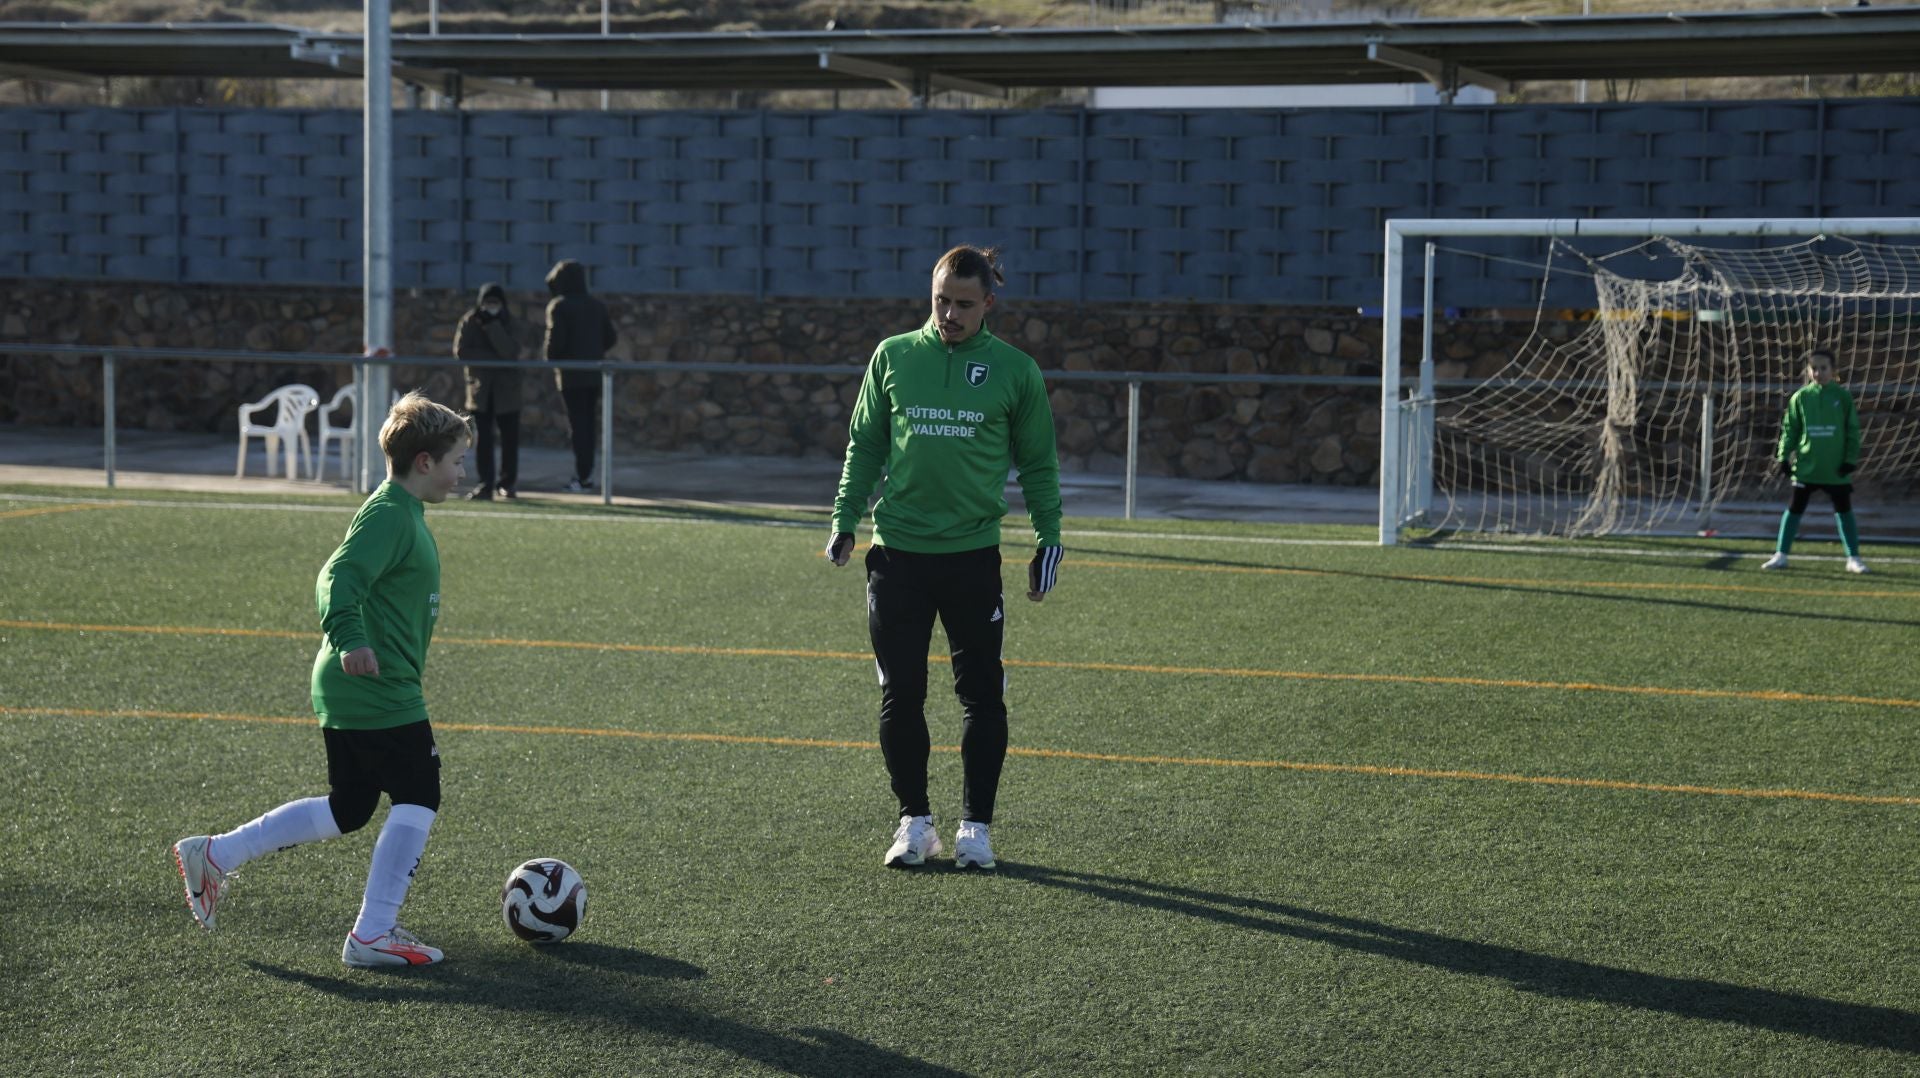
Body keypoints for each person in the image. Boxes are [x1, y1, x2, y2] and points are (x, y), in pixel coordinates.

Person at [172, 391, 471, 968]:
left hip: (366, 681)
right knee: (419, 792)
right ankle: (372, 934)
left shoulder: (402, 510)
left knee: (350, 807)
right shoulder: (390, 514)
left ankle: (215, 854)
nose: (461, 474)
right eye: (457, 461)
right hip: (371, 682)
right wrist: (351, 638)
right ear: (426, 462)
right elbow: (335, 578)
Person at [825, 244, 1065, 872]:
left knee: (982, 698)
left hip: (972, 559)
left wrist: (1049, 539)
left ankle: (975, 830)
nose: (950, 315)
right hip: (898, 555)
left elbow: (1038, 464)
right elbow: (866, 444)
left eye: (963, 304)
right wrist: (845, 519)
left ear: (988, 302)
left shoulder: (1017, 372)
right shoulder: (894, 356)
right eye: (940, 302)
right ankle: (915, 823)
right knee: (900, 695)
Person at [1762, 348, 1866, 573]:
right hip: (1807, 466)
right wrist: (1783, 457)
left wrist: (1849, 459)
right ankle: (1781, 554)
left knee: (1844, 510)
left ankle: (1853, 558)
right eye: (1814, 368)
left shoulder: (1842, 397)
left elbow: (1852, 431)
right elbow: (1790, 430)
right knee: (1794, 508)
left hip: (1835, 467)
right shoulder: (1801, 397)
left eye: (1823, 368)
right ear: (1808, 371)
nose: (1818, 372)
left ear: (1833, 371)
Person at [542, 259, 619, 493]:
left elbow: (554, 346)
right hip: (593, 374)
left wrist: (556, 357)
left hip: (571, 376)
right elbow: (610, 337)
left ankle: (583, 477)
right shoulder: (596, 305)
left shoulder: (560, 306)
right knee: (588, 426)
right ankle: (586, 474)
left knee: (578, 426)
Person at [454, 282, 525, 500]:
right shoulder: (469, 320)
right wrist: (494, 357)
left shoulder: (510, 322)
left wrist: (492, 328)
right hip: (480, 392)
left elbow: (511, 352)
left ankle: (507, 484)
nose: (491, 306)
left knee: (509, 440)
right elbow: (462, 351)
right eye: (487, 302)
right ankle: (486, 483)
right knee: (483, 441)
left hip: (507, 392)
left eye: (495, 302)